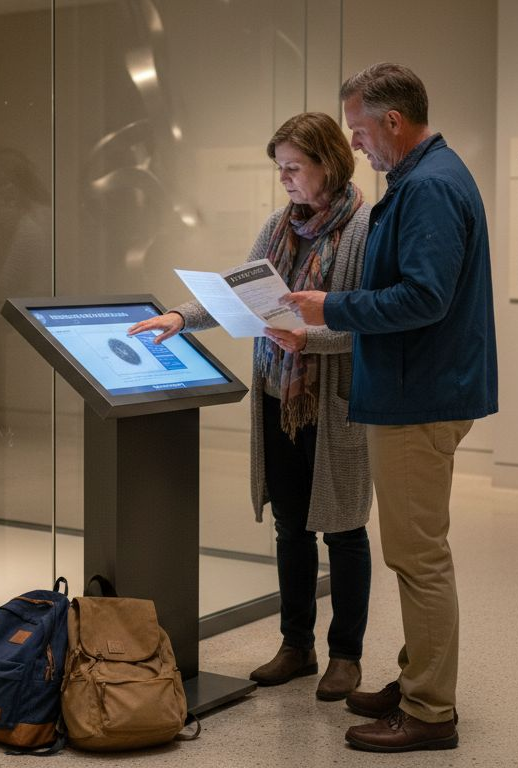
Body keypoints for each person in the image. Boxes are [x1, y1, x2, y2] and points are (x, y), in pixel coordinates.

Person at [283, 63, 498, 752]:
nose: (359, 146)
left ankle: (430, 710)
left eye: (361, 131)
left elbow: (424, 298)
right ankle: (415, 681)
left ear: (394, 123)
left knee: (418, 557)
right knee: (416, 552)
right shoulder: (424, 179)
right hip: (417, 389)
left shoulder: (430, 188)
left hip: (418, 397)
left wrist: (331, 306)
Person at [128, 112, 373, 702]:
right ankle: (297, 645)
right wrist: (183, 316)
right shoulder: (278, 225)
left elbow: (368, 323)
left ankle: (346, 656)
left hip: (334, 402)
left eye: (294, 168)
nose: (285, 180)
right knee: (291, 527)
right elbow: (237, 290)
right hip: (278, 395)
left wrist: (308, 338)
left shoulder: (366, 228)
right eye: (280, 169)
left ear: (329, 164)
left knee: (343, 530)